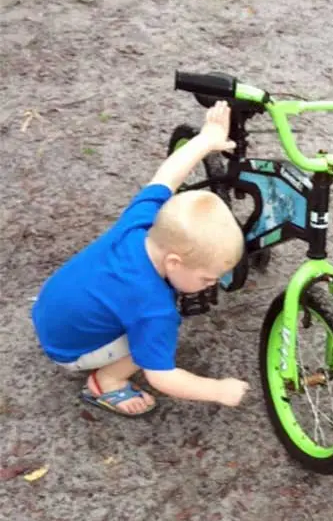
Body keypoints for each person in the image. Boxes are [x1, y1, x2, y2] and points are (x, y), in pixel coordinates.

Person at [32, 101, 250, 417]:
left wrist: (206, 140)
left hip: (48, 309)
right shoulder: (154, 308)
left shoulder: (142, 222)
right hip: (67, 350)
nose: (212, 284)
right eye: (207, 278)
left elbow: (166, 177)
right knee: (150, 343)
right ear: (174, 262)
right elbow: (161, 376)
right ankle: (106, 381)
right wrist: (218, 390)